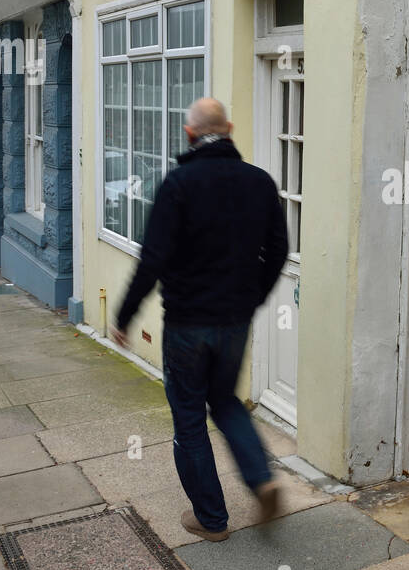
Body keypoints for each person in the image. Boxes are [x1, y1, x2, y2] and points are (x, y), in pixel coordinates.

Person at [112, 98, 288, 543]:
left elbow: (151, 260)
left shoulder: (179, 184)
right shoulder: (260, 183)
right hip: (234, 321)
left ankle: (212, 519)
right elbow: (279, 250)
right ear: (228, 129)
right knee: (225, 402)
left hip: (188, 325)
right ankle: (261, 479)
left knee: (189, 417)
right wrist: (253, 298)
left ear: (190, 135)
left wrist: (125, 316)